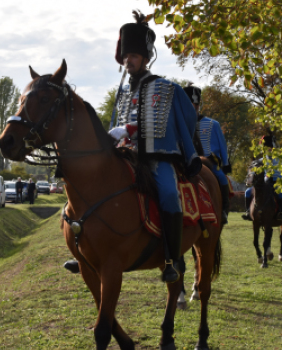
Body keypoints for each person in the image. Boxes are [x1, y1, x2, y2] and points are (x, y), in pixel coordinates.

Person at [64, 11, 201, 283]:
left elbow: (188, 118)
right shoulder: (124, 92)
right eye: (126, 58)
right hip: (128, 156)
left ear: (145, 58)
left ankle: (172, 258)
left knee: (169, 195)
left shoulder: (167, 88)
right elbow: (121, 122)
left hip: (160, 158)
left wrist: (131, 130)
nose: (128, 62)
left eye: (133, 57)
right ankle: (85, 252)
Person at [183, 83, 231, 224]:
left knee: (222, 179)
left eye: (196, 107)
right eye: (190, 106)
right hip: (188, 161)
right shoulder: (181, 124)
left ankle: (223, 210)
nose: (193, 109)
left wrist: (226, 164)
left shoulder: (212, 124)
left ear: (199, 106)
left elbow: (222, 146)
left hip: (211, 161)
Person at [242, 134, 282, 221]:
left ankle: (280, 212)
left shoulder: (279, 159)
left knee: (280, 194)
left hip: (277, 182)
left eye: (270, 147)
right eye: (266, 148)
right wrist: (250, 177)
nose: (268, 150)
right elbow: (253, 170)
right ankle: (248, 212)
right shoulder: (260, 161)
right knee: (248, 192)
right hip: (265, 183)